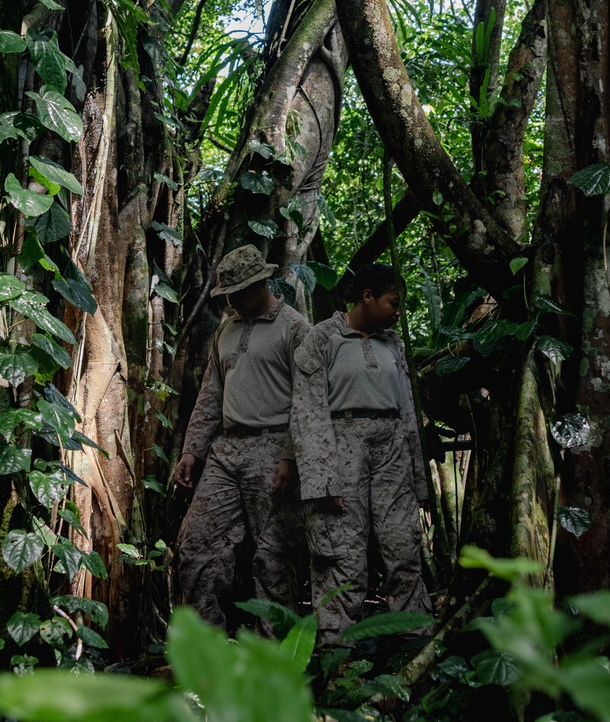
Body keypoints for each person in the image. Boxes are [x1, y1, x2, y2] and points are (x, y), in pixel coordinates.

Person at [289, 263, 431, 644]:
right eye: (393, 302)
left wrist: (418, 477)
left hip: (392, 448)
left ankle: (413, 635)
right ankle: (337, 643)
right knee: (341, 551)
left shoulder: (393, 344)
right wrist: (322, 478)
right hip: (341, 447)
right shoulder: (322, 338)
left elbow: (407, 410)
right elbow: (307, 410)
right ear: (367, 297)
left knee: (402, 542)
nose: (398, 311)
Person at [173, 244, 309, 629]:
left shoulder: (296, 329)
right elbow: (211, 392)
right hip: (225, 450)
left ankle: (278, 659)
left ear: (260, 284)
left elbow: (309, 401)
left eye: (236, 292)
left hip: (273, 448)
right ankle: (207, 654)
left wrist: (290, 455)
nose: (230, 300)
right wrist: (192, 450)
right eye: (226, 294)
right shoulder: (225, 330)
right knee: (196, 546)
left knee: (273, 557)